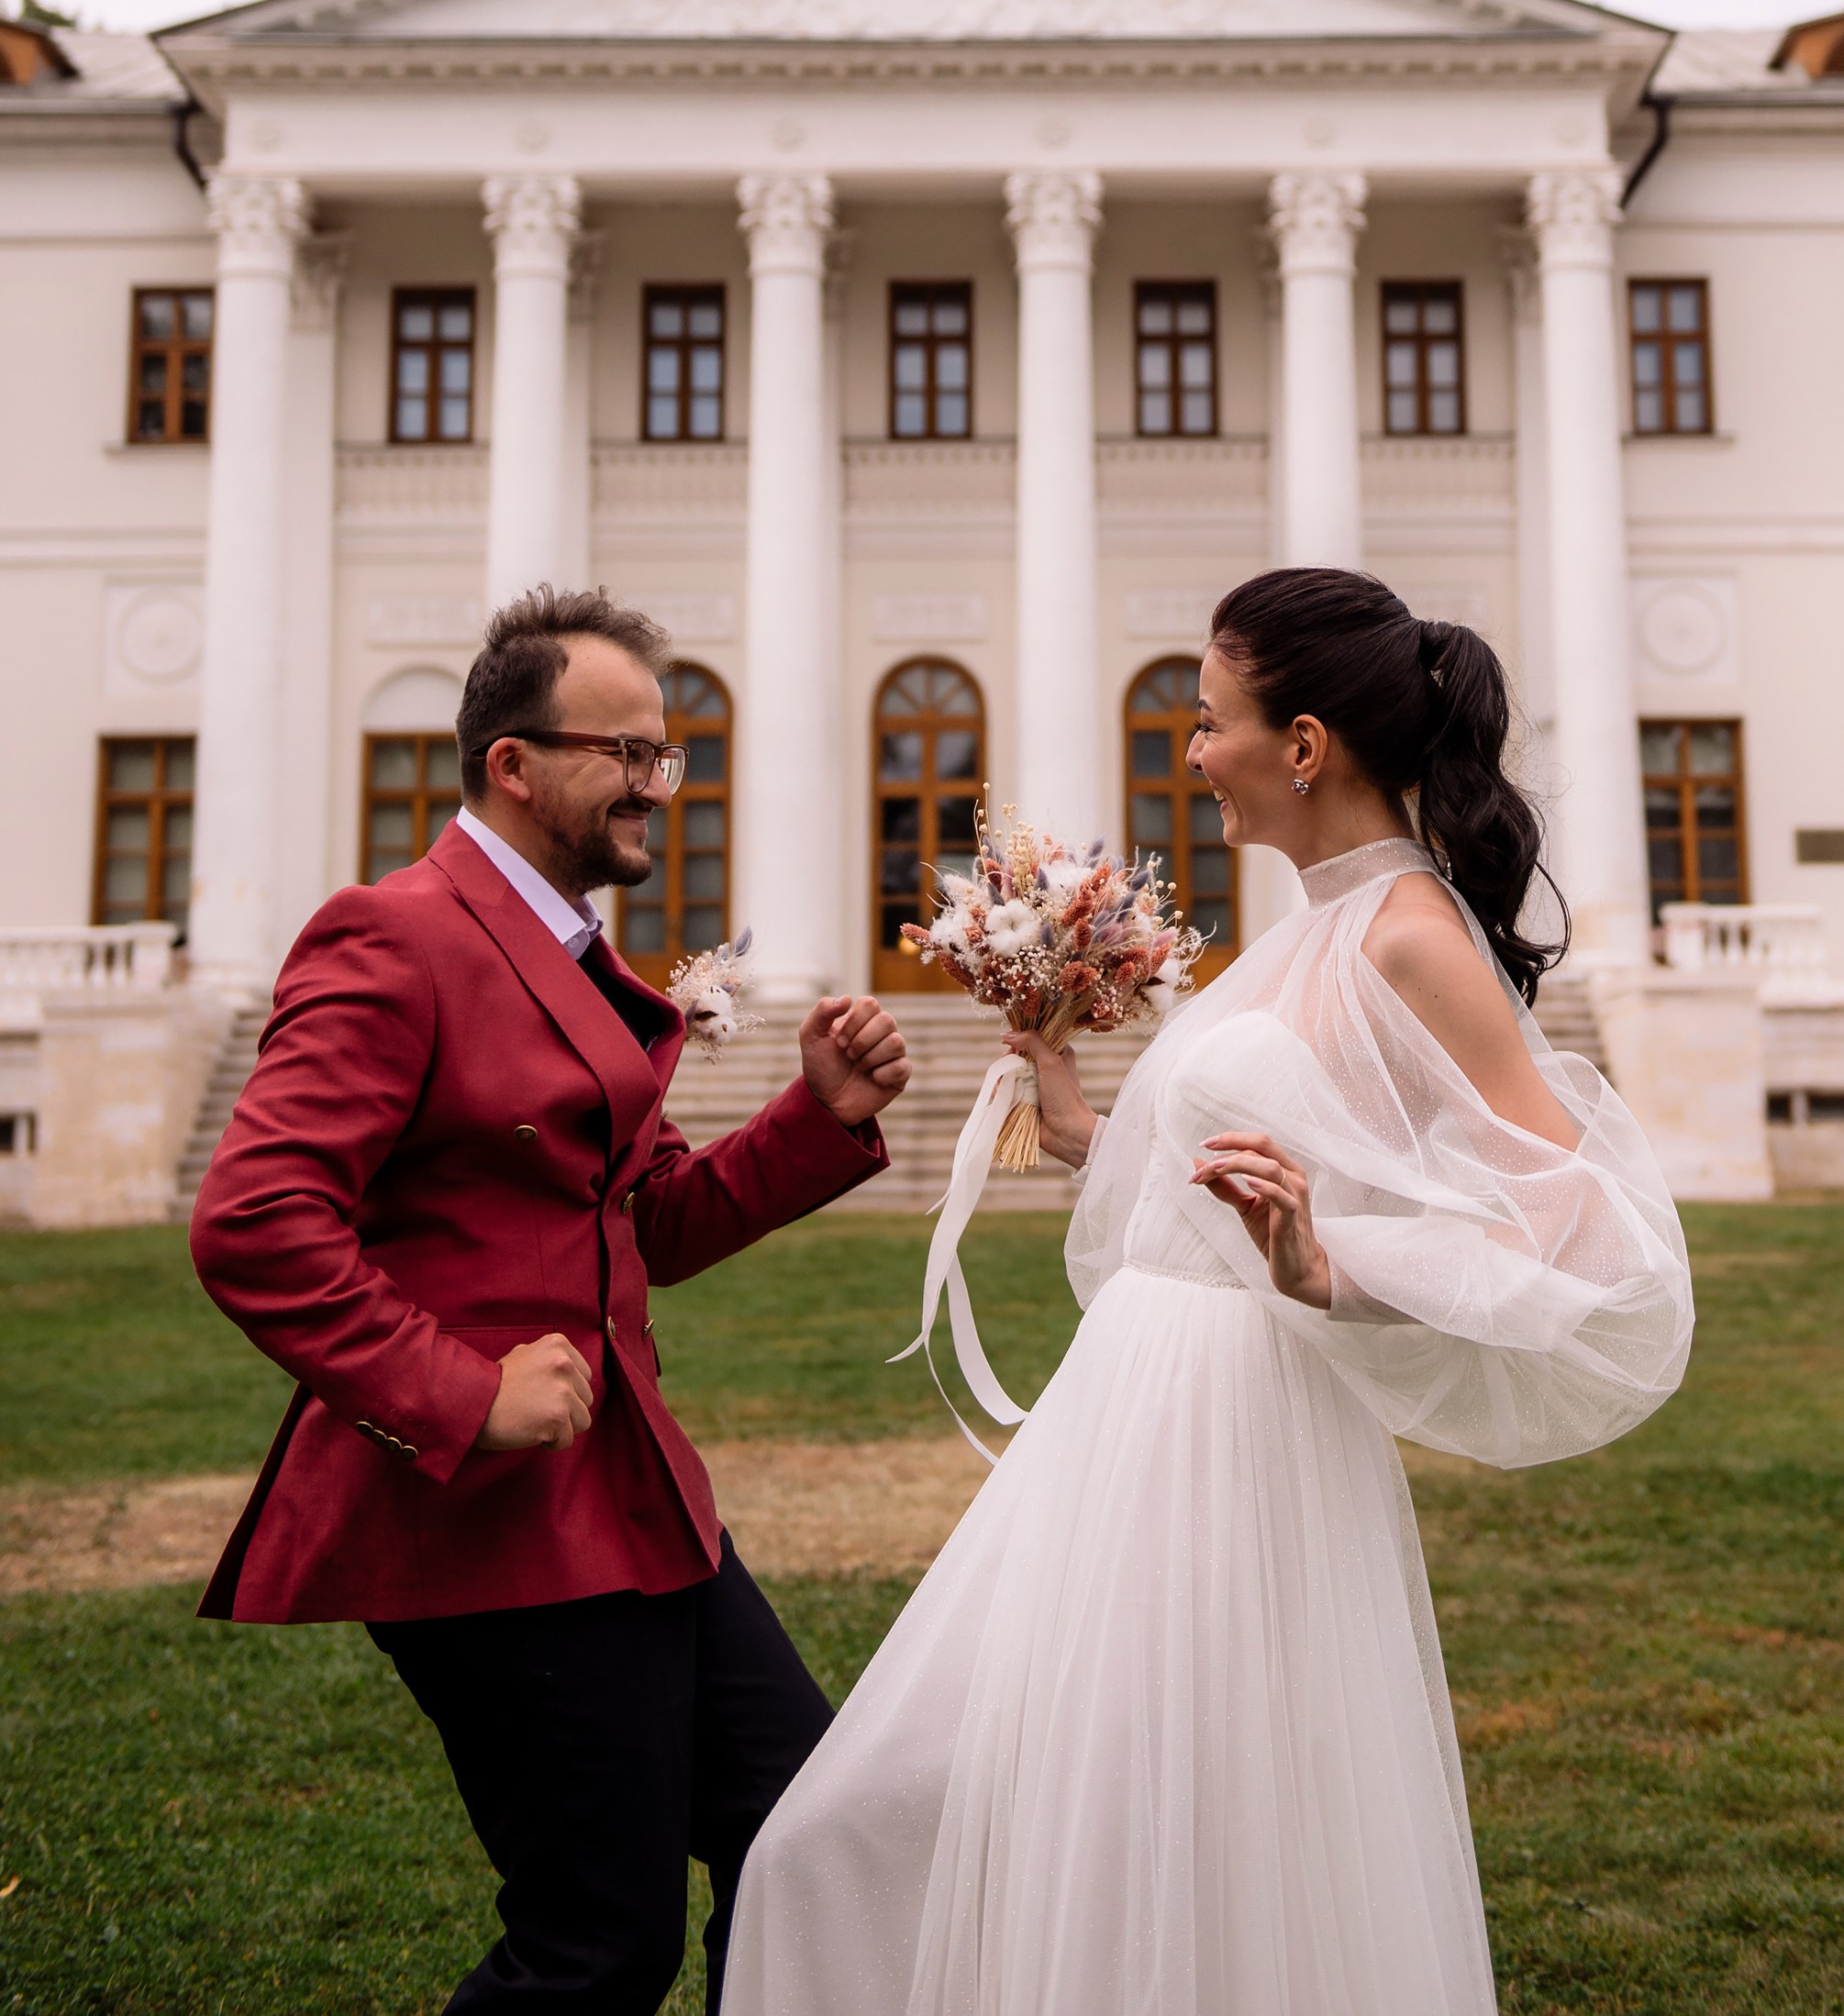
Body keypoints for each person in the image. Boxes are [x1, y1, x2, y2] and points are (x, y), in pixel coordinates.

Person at [723, 567, 1694, 2016]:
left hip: (1239, 1443)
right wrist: (1067, 1106)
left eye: (1205, 719)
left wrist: (1332, 1266)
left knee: (1169, 1829)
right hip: (1127, 1421)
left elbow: (1591, 1235)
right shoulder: (1300, 931)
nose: (1188, 752)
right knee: (924, 1816)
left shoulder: (1411, 933)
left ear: (1301, 746)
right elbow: (1205, 1199)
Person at [191, 585, 910, 2016]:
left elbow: (651, 1216)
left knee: (808, 1837)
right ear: (510, 763)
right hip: (489, 1529)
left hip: (638, 1503)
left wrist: (813, 1117)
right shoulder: (393, 936)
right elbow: (254, 1219)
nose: (657, 786)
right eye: (625, 754)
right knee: (598, 1939)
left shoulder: (573, 954)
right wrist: (462, 1390)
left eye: (668, 753)